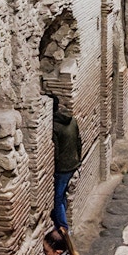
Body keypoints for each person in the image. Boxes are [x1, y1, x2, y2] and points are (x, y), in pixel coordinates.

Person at [50, 95, 82, 230]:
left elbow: (55, 152)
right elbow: (79, 141)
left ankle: (63, 229)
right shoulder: (72, 120)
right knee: (62, 196)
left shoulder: (55, 127)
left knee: (58, 198)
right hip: (74, 162)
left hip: (63, 168)